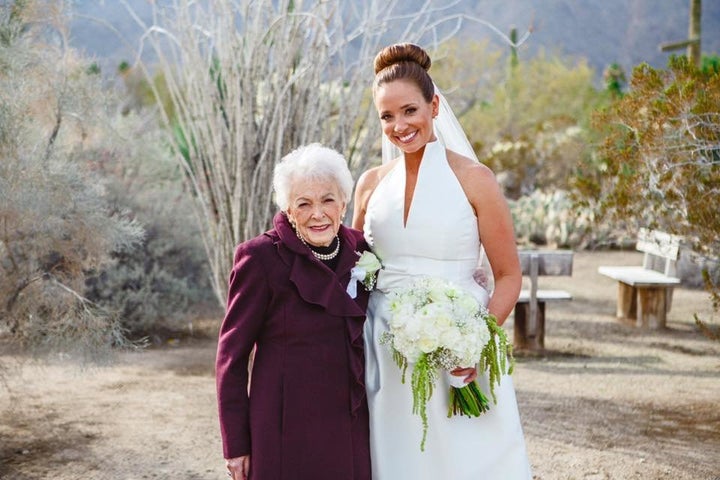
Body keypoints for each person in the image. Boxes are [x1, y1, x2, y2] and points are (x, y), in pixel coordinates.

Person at [352, 43, 532, 479]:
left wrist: (474, 342)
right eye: (387, 116)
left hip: (459, 351)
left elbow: (508, 276)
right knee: (397, 458)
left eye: (410, 110)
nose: (399, 126)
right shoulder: (370, 184)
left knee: (464, 459)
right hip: (385, 350)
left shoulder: (476, 180)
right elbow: (351, 270)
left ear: (434, 105)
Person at [216, 143, 372, 480]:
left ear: (344, 203)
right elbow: (231, 358)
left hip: (350, 422)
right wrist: (236, 444)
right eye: (304, 203)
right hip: (285, 427)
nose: (318, 214)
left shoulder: (361, 251)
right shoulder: (259, 259)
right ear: (288, 209)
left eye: (328, 200)